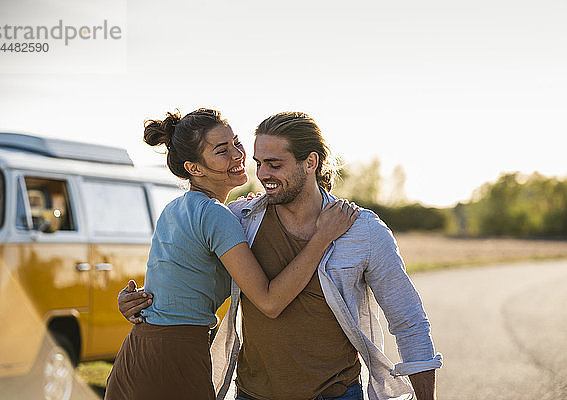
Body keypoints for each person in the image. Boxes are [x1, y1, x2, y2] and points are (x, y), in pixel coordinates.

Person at [119, 112, 443, 400]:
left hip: (335, 394)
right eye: (259, 163)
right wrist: (139, 302)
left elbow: (409, 322)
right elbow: (181, 270)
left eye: (274, 165)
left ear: (311, 162)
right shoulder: (239, 218)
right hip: (250, 394)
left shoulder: (363, 232)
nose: (262, 174)